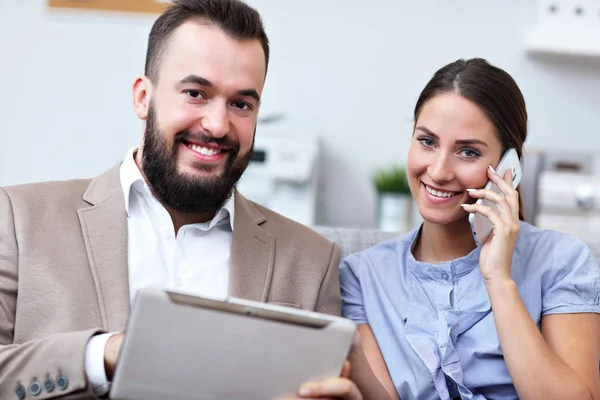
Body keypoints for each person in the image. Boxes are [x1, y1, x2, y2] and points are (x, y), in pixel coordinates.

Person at [0, 1, 385, 399]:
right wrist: (104, 353)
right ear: (143, 98)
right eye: (196, 93)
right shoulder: (18, 220)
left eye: (241, 104)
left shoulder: (312, 262)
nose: (218, 125)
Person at [333, 58, 600, 400]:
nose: (439, 170)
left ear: (509, 168)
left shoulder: (562, 261)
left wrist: (498, 280)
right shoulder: (361, 276)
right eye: (427, 141)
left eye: (468, 151)